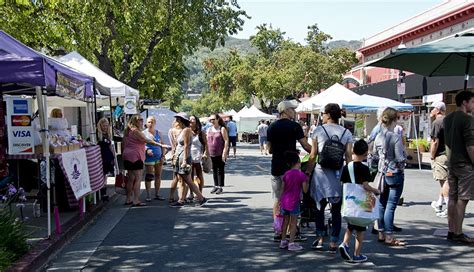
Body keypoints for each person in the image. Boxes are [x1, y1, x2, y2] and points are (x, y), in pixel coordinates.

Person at [306, 103, 353, 253]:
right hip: (337, 175)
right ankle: (334, 242)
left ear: (328, 115)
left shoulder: (319, 130)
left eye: (323, 113)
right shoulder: (346, 133)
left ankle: (320, 239)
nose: (322, 116)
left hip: (320, 174)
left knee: (319, 208)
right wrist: (350, 176)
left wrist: (307, 172)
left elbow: (313, 155)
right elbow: (348, 156)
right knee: (336, 210)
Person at [267, 100, 312, 241]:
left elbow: (269, 149)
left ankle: (278, 230)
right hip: (291, 168)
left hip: (276, 166)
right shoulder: (295, 126)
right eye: (292, 109)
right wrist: (316, 151)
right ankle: (293, 231)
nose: (294, 112)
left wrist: (279, 147)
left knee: (277, 199)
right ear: (285, 111)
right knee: (293, 199)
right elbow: (305, 146)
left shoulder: (272, 127)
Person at [338, 139, 380, 263]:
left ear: (353, 151)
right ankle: (357, 254)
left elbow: (343, 183)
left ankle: (344, 244)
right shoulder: (364, 169)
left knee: (350, 227)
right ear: (366, 154)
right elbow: (365, 186)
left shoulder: (347, 167)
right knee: (360, 230)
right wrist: (376, 191)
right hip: (361, 206)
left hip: (350, 205)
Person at [444, 90, 474, 244]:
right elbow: (470, 145)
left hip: (451, 163)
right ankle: (458, 232)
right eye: (472, 102)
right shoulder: (467, 119)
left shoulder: (447, 119)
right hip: (464, 164)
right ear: (464, 102)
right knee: (463, 199)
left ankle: (451, 230)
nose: (473, 105)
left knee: (452, 198)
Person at [374, 107, 406, 246]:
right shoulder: (395, 137)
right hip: (394, 172)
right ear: (395, 120)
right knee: (391, 205)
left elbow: (374, 155)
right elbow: (399, 158)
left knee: (381, 203)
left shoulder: (379, 137)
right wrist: (404, 161)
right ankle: (389, 235)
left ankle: (381, 232)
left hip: (382, 172)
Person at [170, 112, 208, 207]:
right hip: (179, 156)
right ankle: (182, 200)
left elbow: (187, 146)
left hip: (184, 157)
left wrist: (184, 161)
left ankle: (201, 197)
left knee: (188, 180)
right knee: (183, 180)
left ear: (182, 120)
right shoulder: (183, 130)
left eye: (178, 119)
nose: (176, 121)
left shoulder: (187, 130)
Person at [123, 114, 161, 207]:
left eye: (141, 119)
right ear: (134, 121)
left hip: (127, 156)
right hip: (136, 156)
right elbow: (146, 140)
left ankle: (128, 199)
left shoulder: (127, 130)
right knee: (138, 178)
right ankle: (136, 200)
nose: (141, 121)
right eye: (139, 119)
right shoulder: (135, 131)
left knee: (131, 179)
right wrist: (160, 145)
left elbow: (123, 143)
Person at [278, 151, 309, 251]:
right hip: (294, 201)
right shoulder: (301, 175)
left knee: (285, 221)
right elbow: (305, 190)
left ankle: (283, 241)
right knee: (293, 222)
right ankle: (291, 243)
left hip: (284, 201)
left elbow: (282, 188)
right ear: (299, 162)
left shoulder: (286, 174)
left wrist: (280, 199)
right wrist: (307, 181)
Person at [429, 101, 449, 218]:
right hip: (450, 155)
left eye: (432, 108)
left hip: (441, 155)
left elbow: (435, 141)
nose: (431, 111)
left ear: (438, 110)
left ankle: (448, 206)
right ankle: (439, 203)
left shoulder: (437, 122)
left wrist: (432, 155)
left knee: (444, 181)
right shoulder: (449, 120)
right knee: (445, 180)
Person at [143, 116, 167, 202]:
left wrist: (163, 156)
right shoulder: (143, 133)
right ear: (146, 123)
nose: (150, 124)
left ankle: (157, 193)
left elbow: (163, 145)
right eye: (149, 122)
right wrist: (147, 149)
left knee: (158, 175)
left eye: (152, 122)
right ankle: (148, 195)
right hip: (149, 158)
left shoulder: (158, 133)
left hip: (159, 157)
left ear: (155, 123)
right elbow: (141, 145)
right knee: (149, 176)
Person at [207, 113, 229, 194]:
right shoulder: (209, 129)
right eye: (210, 119)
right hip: (211, 152)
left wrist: (224, 152)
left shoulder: (222, 129)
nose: (212, 121)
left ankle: (220, 186)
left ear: (218, 119)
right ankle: (215, 185)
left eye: (213, 119)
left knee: (220, 170)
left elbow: (226, 140)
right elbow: (206, 141)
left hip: (220, 152)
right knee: (214, 169)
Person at [189, 115, 209, 198]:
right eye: (190, 119)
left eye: (193, 119)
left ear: (196, 121)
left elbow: (206, 144)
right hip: (189, 156)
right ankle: (191, 193)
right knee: (190, 176)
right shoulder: (187, 131)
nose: (191, 120)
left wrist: (205, 153)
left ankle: (200, 192)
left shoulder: (201, 132)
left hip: (198, 155)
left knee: (199, 175)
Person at [97, 117, 115, 201]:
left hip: (107, 156)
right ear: (100, 126)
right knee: (100, 174)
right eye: (103, 125)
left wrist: (113, 156)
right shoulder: (97, 135)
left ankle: (104, 192)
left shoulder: (108, 134)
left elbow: (110, 146)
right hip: (100, 156)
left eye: (106, 125)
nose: (105, 127)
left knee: (105, 175)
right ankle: (100, 192)